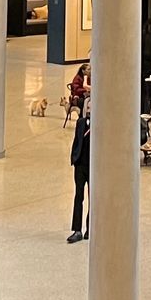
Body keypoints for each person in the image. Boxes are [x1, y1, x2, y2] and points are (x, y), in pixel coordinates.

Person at [67, 96, 91, 244]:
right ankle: (77, 230)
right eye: (87, 106)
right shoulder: (80, 123)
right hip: (80, 165)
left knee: (93, 199)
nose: (89, 109)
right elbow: (76, 141)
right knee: (78, 196)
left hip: (93, 166)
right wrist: (74, 159)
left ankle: (91, 228)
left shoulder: (101, 125)